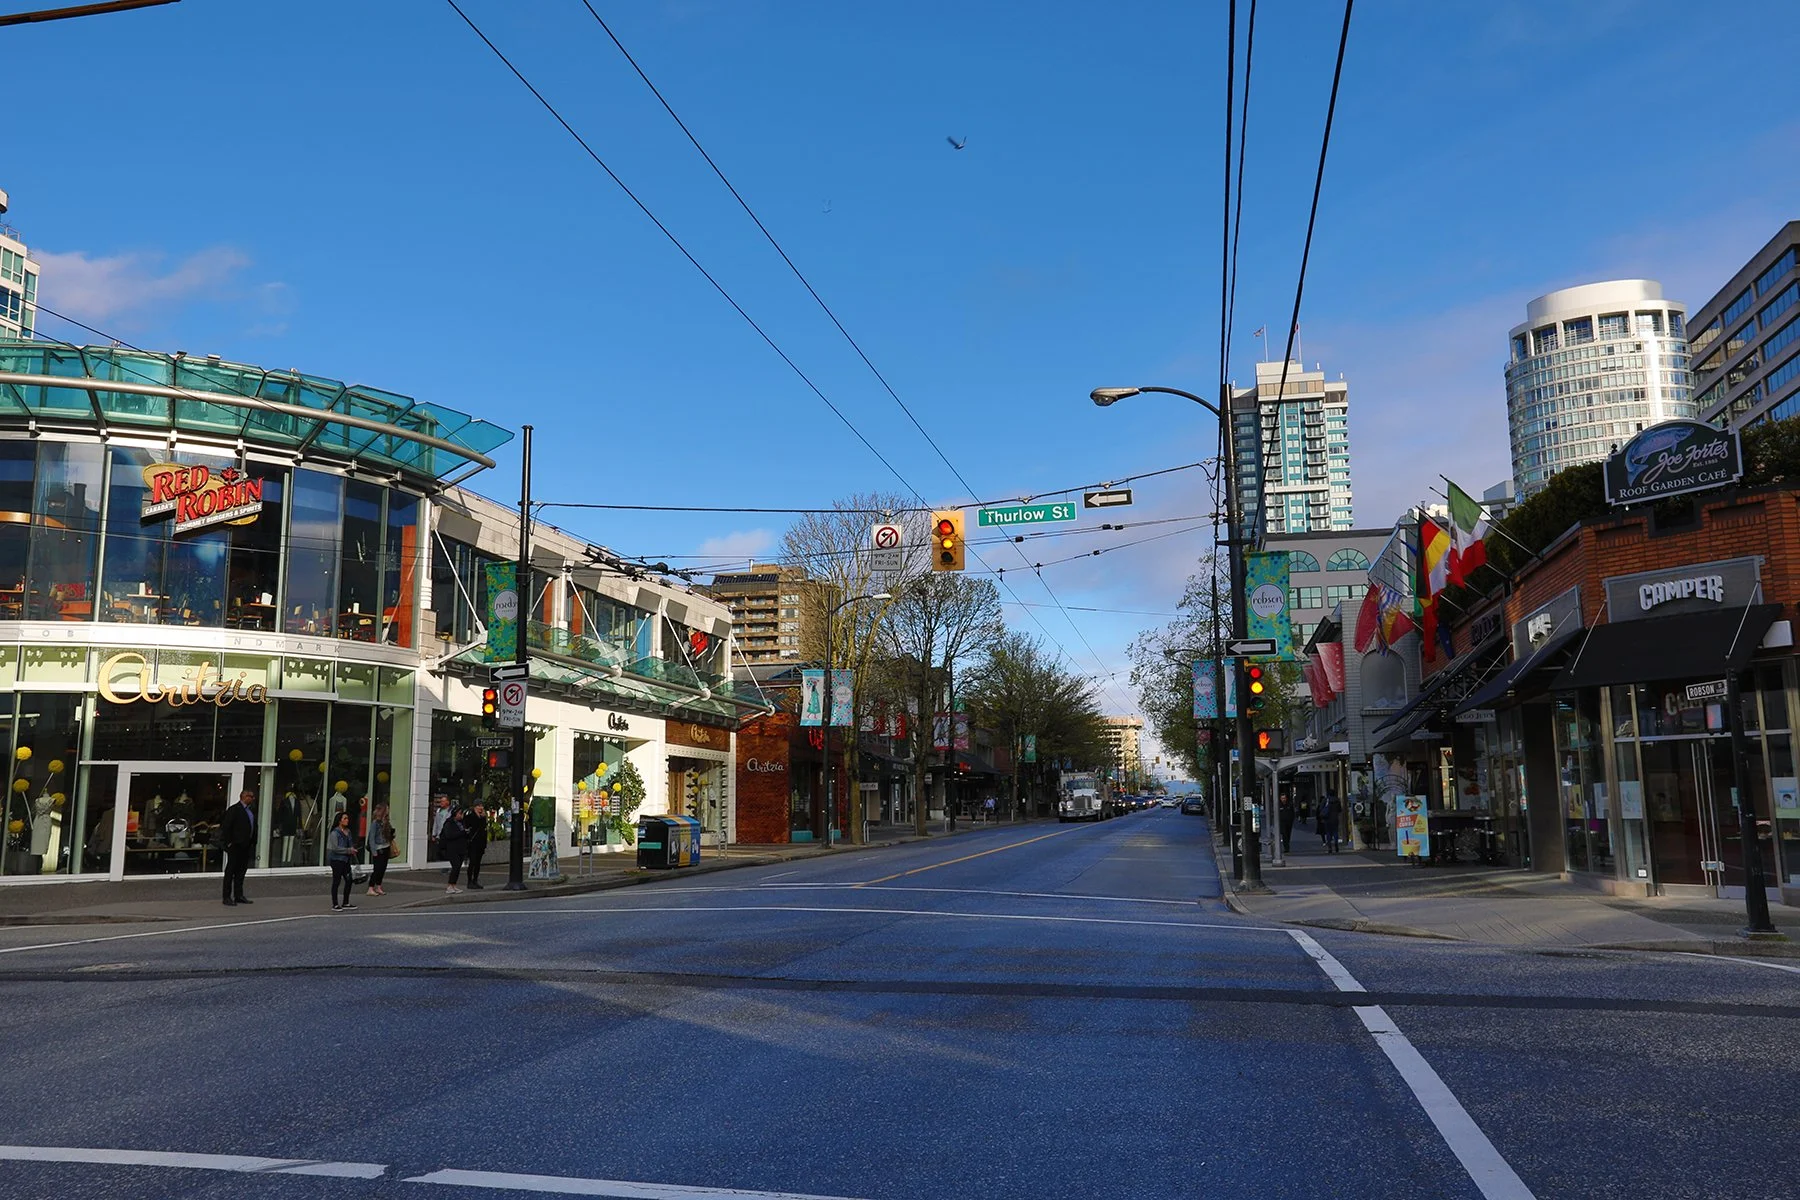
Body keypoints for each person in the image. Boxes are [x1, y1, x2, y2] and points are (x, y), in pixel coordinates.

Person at [220, 790, 257, 906]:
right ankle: (226, 896)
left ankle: (238, 895)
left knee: (241, 871)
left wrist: (253, 841)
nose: (253, 799)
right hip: (236, 845)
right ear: (244, 797)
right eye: (251, 796)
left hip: (246, 845)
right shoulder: (234, 810)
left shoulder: (250, 811)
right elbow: (226, 826)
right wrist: (229, 842)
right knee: (230, 871)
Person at [326, 810, 358, 911]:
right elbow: (335, 848)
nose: (347, 820)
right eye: (345, 819)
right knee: (336, 881)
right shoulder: (335, 833)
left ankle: (346, 902)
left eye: (347, 818)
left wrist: (352, 849)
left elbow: (350, 843)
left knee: (349, 880)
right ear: (339, 821)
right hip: (336, 860)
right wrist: (348, 850)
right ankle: (335, 904)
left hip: (346, 860)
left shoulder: (348, 832)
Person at [439, 805, 469, 895]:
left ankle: (454, 885)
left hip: (461, 847)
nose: (461, 815)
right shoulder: (449, 823)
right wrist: (462, 833)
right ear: (455, 814)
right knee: (455, 866)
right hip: (452, 848)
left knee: (458, 867)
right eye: (460, 814)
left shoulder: (462, 823)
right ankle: (449, 885)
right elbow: (449, 835)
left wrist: (466, 833)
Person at [366, 800, 393, 897]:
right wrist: (374, 851)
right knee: (377, 869)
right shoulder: (375, 823)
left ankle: (379, 886)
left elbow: (388, 834)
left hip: (386, 846)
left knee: (383, 868)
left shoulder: (385, 822)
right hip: (378, 848)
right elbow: (371, 838)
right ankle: (370, 887)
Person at [465, 803, 489, 890]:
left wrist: (482, 818)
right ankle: (469, 881)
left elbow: (484, 830)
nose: (481, 808)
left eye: (482, 806)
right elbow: (469, 827)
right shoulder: (470, 816)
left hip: (480, 843)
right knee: (472, 862)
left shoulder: (483, 817)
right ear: (474, 807)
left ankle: (475, 880)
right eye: (478, 806)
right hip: (473, 843)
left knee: (478, 863)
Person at [428, 794, 451, 862]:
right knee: (440, 852)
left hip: (448, 835)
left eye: (443, 801)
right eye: (441, 801)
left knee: (447, 852)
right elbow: (436, 823)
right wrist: (434, 834)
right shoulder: (438, 811)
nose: (441, 803)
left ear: (448, 802)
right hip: (439, 835)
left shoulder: (451, 811)